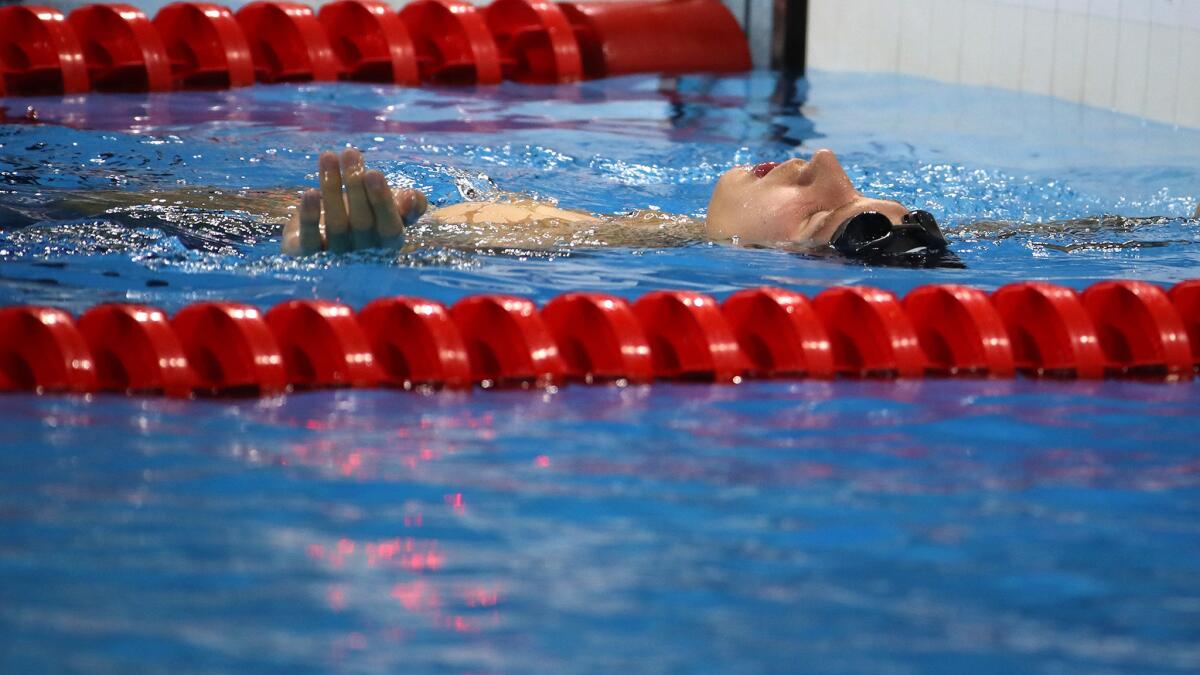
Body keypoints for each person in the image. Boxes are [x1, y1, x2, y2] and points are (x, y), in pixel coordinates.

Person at [281, 147, 952, 265]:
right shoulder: (662, 234)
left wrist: (363, 255)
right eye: (857, 186)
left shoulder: (572, 260)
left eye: (815, 213)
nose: (823, 162)